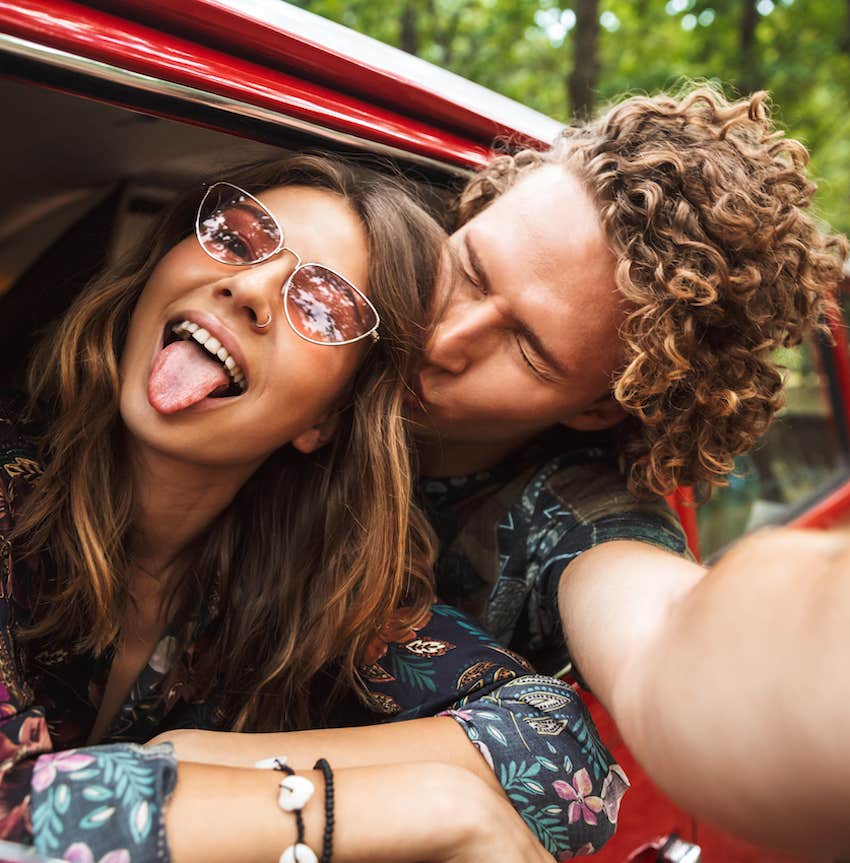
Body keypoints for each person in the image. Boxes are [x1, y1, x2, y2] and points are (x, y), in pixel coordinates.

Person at [0, 155, 622, 863]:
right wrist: (420, 807)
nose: (250, 288)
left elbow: (564, 760)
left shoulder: (304, 586)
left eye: (322, 306)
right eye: (237, 239)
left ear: (327, 417)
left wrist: (197, 757)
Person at [408, 86, 850, 857]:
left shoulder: (580, 518)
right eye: (469, 268)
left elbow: (666, 636)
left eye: (527, 347)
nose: (442, 340)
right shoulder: (334, 278)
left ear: (597, 410)